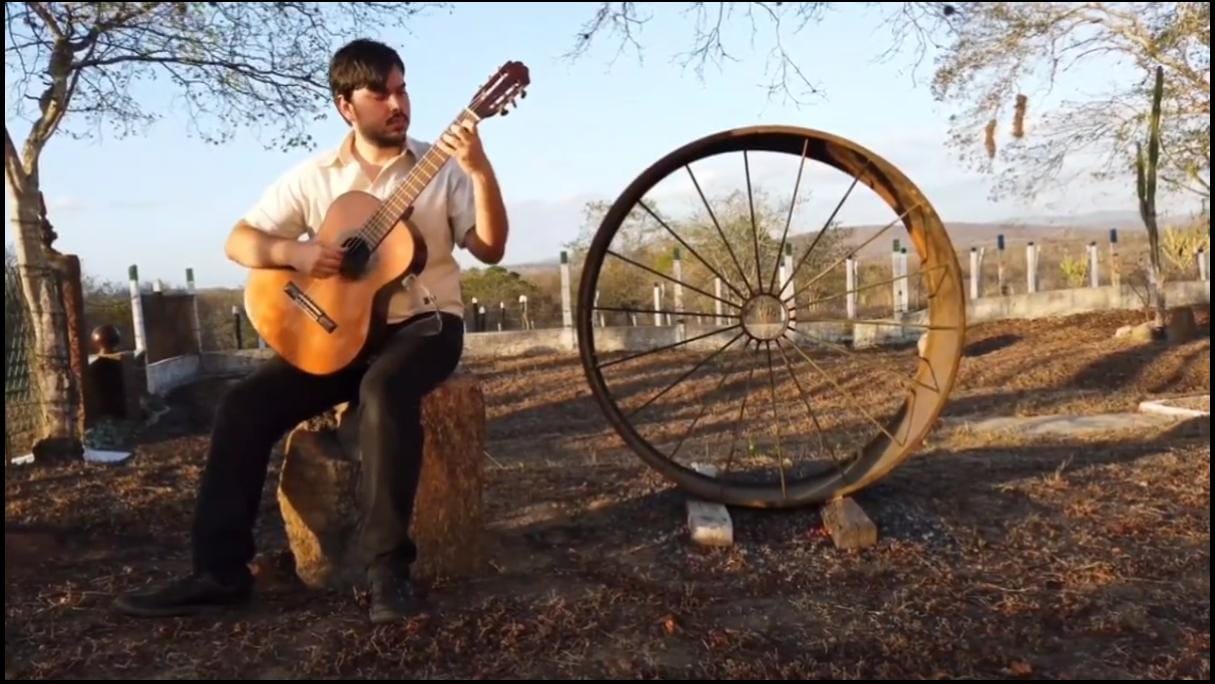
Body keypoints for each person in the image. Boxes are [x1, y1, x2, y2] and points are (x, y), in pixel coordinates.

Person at [114, 38, 509, 624]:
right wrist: (293, 253)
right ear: (347, 106)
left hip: (423, 326)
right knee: (243, 406)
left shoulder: (442, 168)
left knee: (383, 392)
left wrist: (478, 168)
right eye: (382, 93)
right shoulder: (315, 176)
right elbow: (240, 239)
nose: (398, 104)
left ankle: (388, 574)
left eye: (403, 89)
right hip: (336, 330)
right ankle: (220, 572)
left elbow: (492, 248)